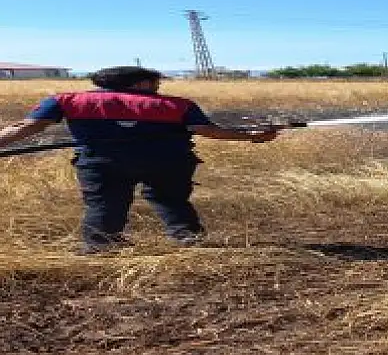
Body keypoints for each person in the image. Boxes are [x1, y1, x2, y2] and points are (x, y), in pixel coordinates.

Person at [0, 66, 279, 253]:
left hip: (102, 163)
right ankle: (187, 239)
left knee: (105, 204)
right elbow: (209, 131)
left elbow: (25, 128)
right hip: (168, 161)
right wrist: (252, 136)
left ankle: (101, 248)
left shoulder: (65, 100)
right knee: (171, 200)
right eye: (155, 82)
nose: (158, 87)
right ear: (140, 83)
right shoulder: (177, 104)